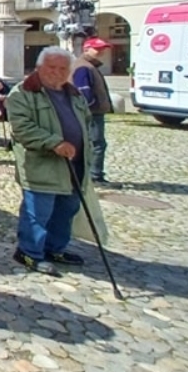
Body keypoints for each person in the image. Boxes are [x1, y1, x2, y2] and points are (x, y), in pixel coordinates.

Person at [7, 47, 93, 276]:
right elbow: (22, 129)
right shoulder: (23, 93)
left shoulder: (73, 94)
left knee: (66, 210)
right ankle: (29, 252)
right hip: (41, 166)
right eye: (51, 67)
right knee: (38, 212)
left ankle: (54, 248)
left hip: (75, 164)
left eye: (63, 68)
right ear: (38, 68)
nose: (57, 73)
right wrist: (54, 143)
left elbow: (86, 122)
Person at [73, 38, 115, 186]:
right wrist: (90, 107)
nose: (101, 52)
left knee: (94, 143)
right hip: (92, 113)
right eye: (97, 49)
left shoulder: (89, 66)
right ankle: (94, 176)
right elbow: (83, 93)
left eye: (103, 49)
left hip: (93, 112)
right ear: (86, 49)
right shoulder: (84, 67)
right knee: (96, 144)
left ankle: (92, 174)